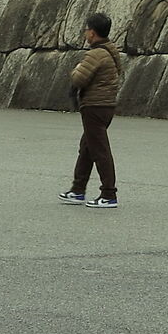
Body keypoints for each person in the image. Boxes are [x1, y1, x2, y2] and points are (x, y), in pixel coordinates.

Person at [59, 13, 125, 209]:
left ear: (93, 33)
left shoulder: (95, 54)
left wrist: (76, 69)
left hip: (95, 106)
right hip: (106, 105)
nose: (85, 33)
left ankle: (108, 194)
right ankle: (78, 190)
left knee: (100, 151)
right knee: (87, 149)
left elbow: (78, 79)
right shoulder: (111, 50)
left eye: (87, 29)